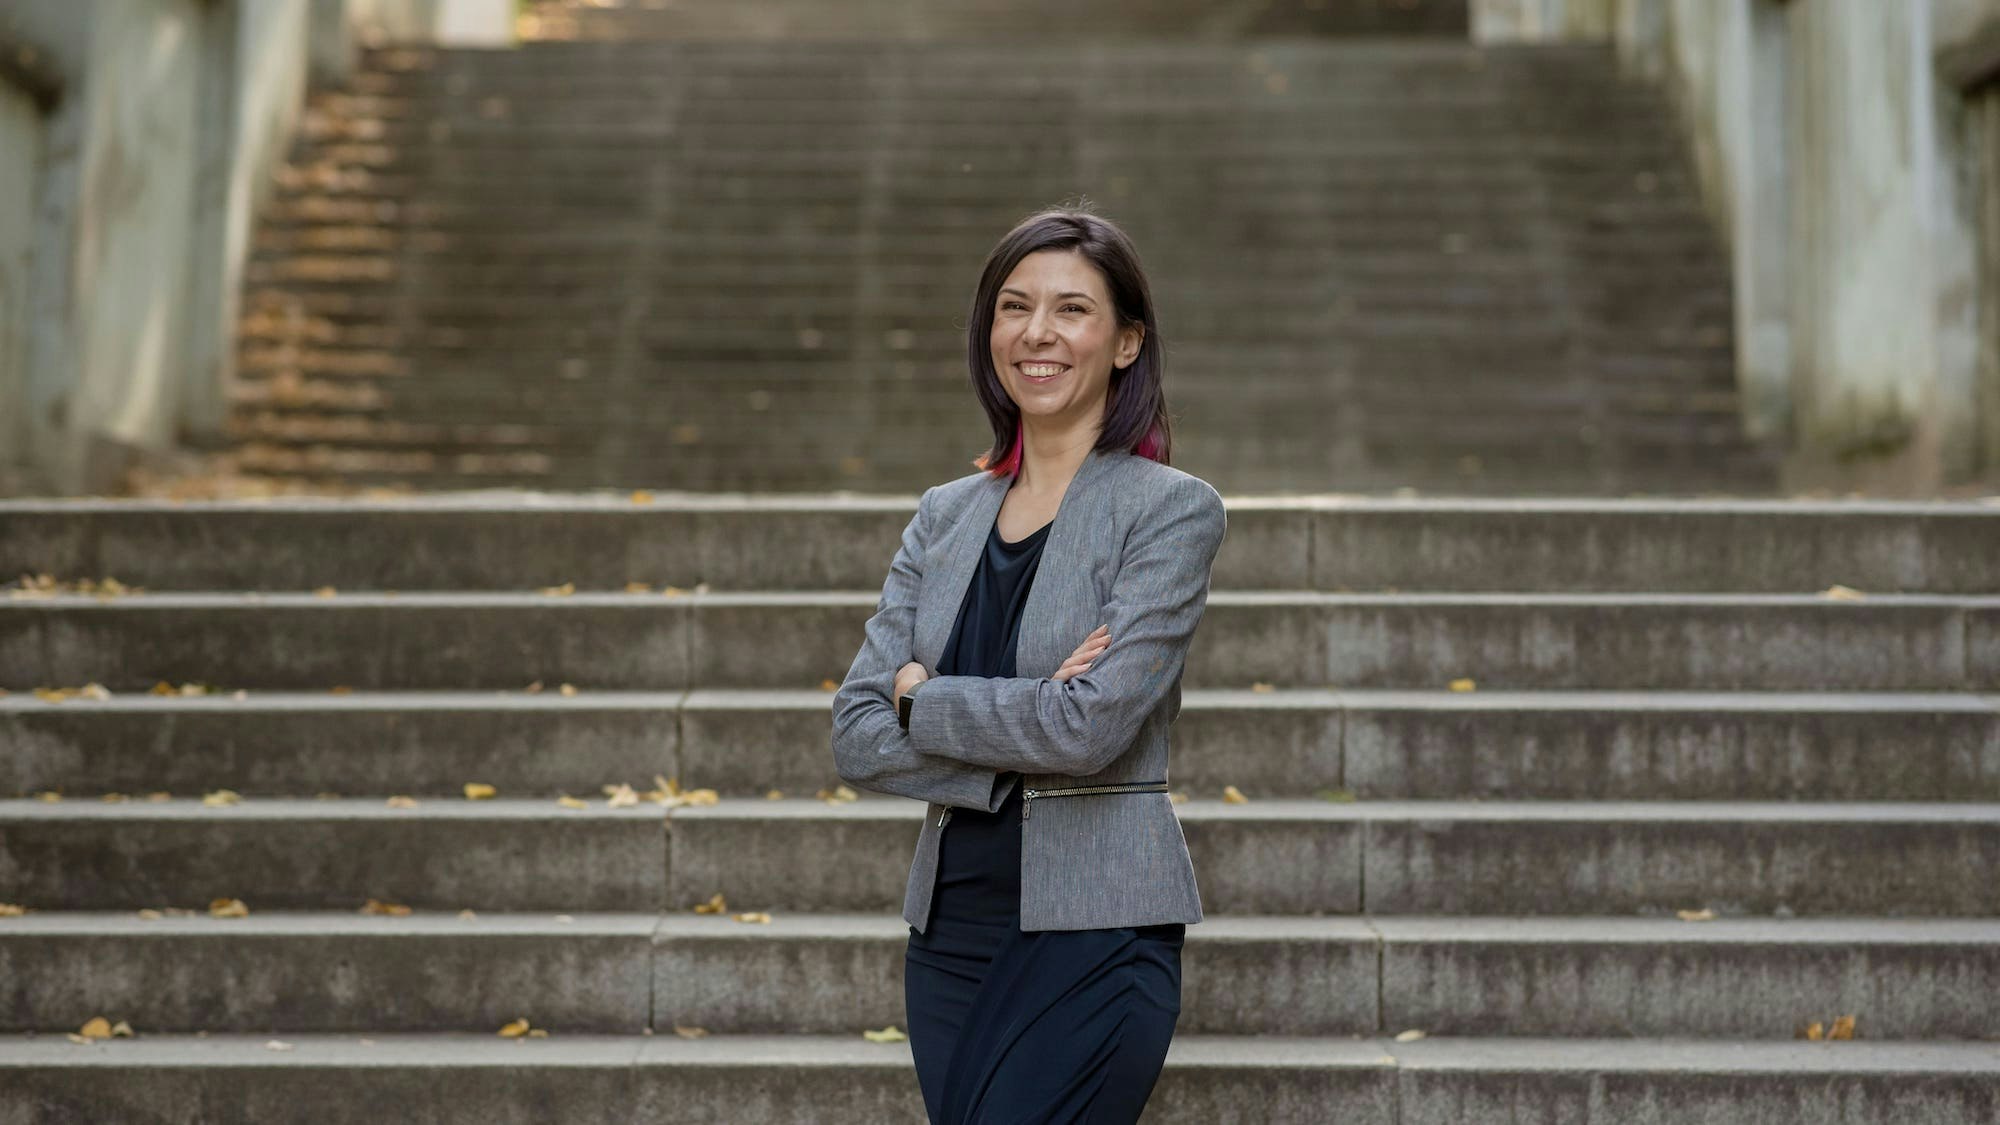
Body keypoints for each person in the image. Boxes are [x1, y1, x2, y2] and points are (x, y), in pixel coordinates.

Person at [831, 206, 1228, 1123]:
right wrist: (1032, 707)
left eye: (1072, 310)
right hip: (951, 932)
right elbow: (856, 731)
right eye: (1015, 307)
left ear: (1127, 342)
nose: (1037, 334)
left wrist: (923, 699)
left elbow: (1090, 728)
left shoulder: (1168, 510)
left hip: (1096, 924)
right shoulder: (945, 514)